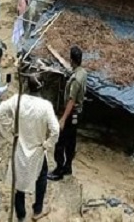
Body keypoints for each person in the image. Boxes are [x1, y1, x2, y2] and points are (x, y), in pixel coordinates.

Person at [0, 75, 58, 221]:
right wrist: (47, 144)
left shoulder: (17, 100)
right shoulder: (45, 106)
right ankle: (37, 210)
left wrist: (10, 128)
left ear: (27, 86)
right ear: (41, 85)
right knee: (42, 177)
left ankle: (21, 214)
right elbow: (55, 130)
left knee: (19, 181)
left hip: (19, 148)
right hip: (37, 150)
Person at [48, 46, 87, 181]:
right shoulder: (83, 73)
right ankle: (68, 166)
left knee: (60, 142)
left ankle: (59, 170)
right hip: (78, 113)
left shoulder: (76, 79)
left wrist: (63, 119)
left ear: (72, 60)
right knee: (71, 141)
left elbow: (71, 100)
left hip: (71, 114)